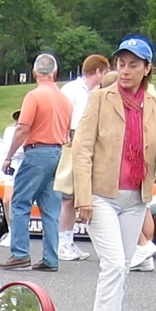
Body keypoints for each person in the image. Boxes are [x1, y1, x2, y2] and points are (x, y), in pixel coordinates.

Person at [71, 36, 156, 311]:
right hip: (102, 195)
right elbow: (81, 149)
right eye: (121, 64)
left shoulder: (154, 103)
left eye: (133, 65)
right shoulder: (101, 99)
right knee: (113, 265)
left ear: (147, 68)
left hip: (136, 197)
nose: (125, 70)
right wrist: (83, 197)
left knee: (122, 269)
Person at [0, 53, 72, 271]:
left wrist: (10, 155)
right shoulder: (65, 100)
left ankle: (20, 253)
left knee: (20, 202)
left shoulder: (34, 96)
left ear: (34, 72)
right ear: (55, 73)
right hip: (58, 152)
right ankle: (51, 258)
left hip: (37, 151)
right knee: (51, 208)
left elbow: (23, 128)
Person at [53, 54, 110, 260]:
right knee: (68, 198)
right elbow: (62, 118)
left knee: (78, 197)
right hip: (72, 142)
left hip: (84, 142)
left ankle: (68, 240)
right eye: (104, 72)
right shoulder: (73, 90)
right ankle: (62, 243)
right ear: (97, 72)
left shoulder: (92, 92)